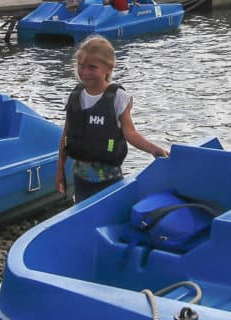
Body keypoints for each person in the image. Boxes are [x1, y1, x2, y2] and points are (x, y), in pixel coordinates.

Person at [57, 35, 168, 201]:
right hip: (80, 180)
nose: (85, 72)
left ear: (108, 69)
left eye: (92, 67)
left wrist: (154, 149)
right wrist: (59, 172)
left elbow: (130, 133)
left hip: (110, 181)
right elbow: (66, 137)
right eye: (81, 66)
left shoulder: (118, 98)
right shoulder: (74, 97)